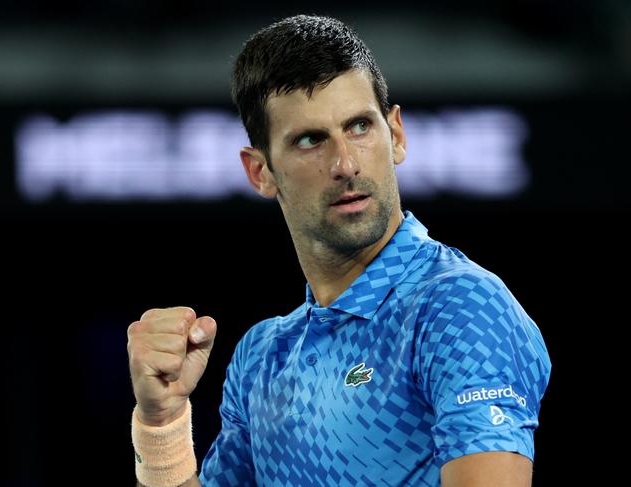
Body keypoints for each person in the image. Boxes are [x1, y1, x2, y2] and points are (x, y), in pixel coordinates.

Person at [127, 14, 551, 487]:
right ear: (260, 172)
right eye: (311, 140)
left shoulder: (457, 307)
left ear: (397, 134)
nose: (345, 164)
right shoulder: (261, 358)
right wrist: (161, 421)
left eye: (359, 127)